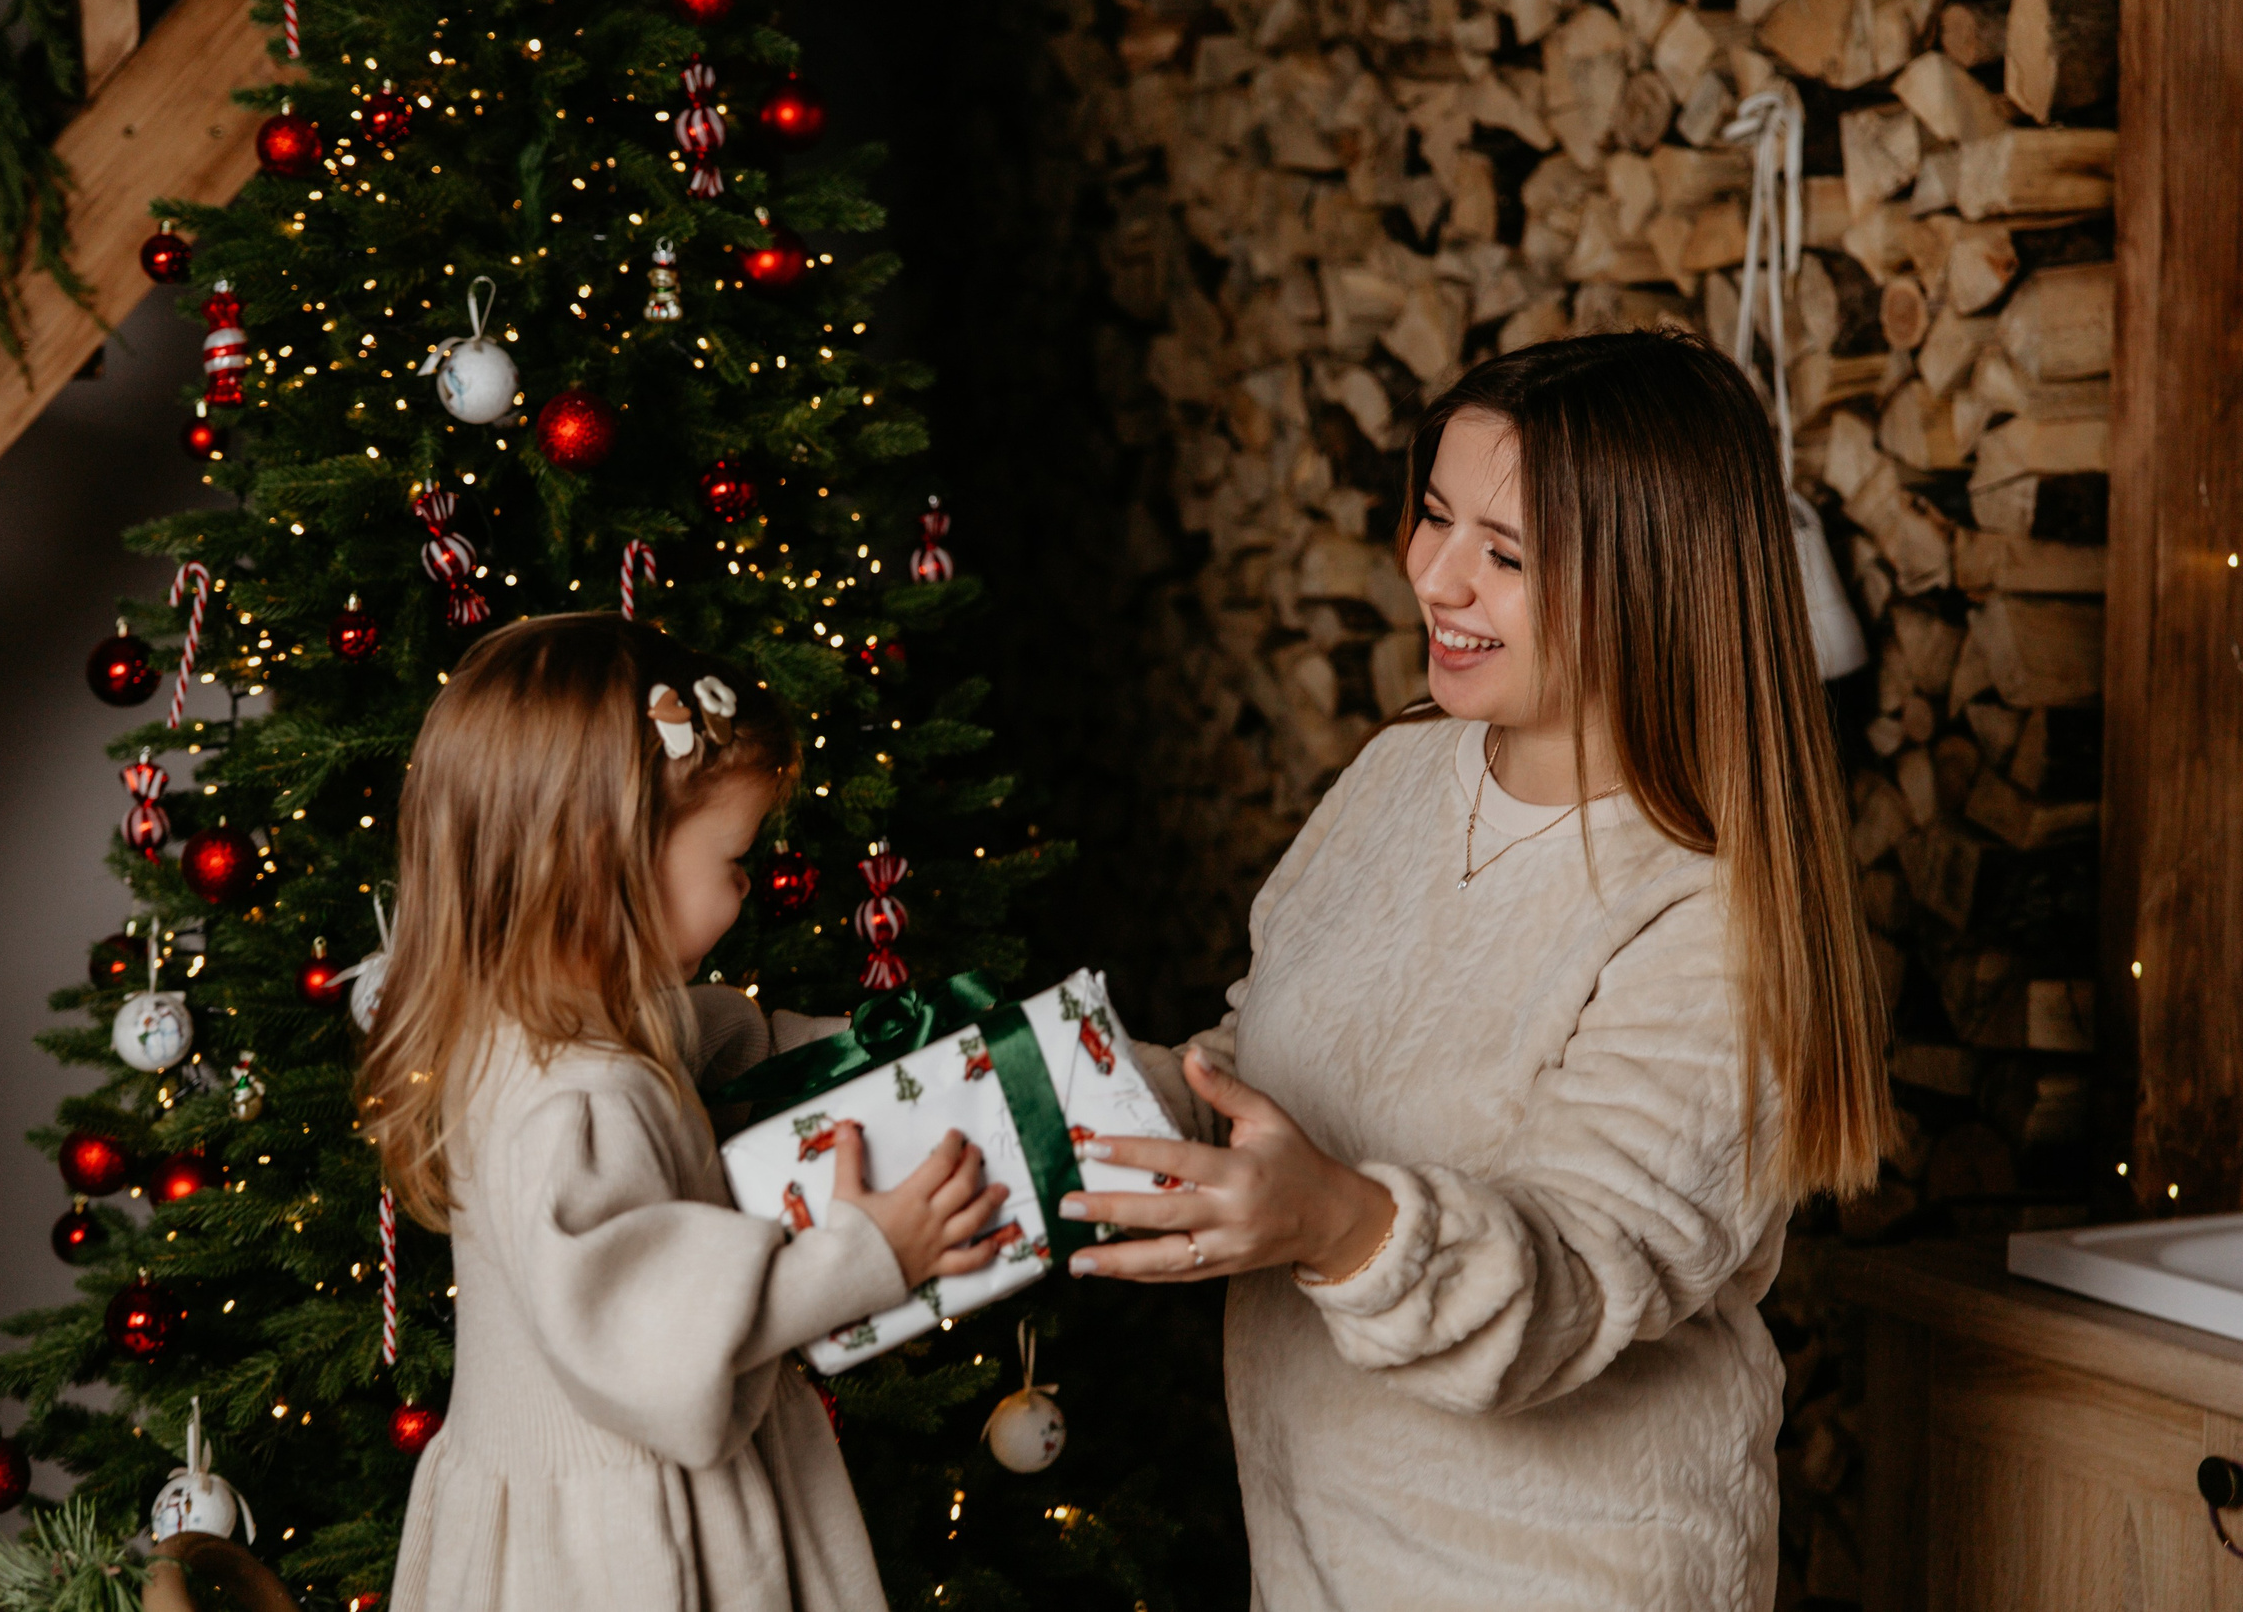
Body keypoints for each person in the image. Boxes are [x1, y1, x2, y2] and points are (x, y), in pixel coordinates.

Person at [1071, 331, 1891, 1610]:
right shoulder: (1406, 769)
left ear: (1652, 584)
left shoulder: (1710, 912)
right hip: (1320, 1553)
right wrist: (1054, 1091)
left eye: (1504, 556)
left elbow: (1582, 1281)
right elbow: (1260, 1075)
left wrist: (1333, 1222)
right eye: (1434, 518)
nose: (1435, 578)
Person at [363, 614, 1010, 1612]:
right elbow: (641, 1333)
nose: (746, 889)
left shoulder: (549, 1032)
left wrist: (891, 1059)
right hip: (624, 1557)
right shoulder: (570, 1097)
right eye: (734, 858)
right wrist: (868, 1258)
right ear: (603, 862)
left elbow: (725, 1043)